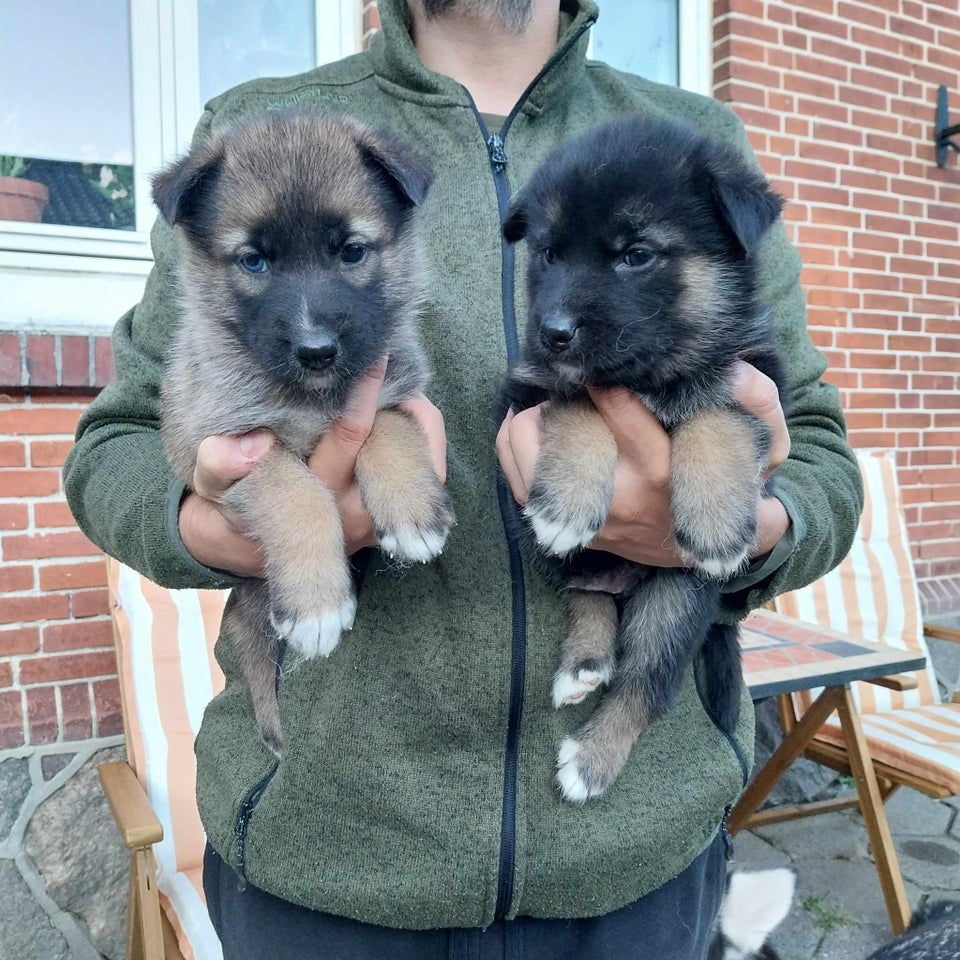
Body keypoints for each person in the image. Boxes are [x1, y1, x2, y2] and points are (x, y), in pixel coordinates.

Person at [63, 1, 864, 957]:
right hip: (330, 864)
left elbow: (815, 446)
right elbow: (110, 449)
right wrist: (214, 529)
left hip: (636, 860)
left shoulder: (691, 144)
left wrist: (750, 524)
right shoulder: (256, 131)